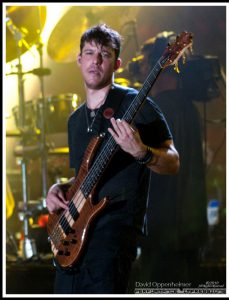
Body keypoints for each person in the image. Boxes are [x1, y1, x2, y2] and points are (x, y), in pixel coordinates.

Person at [45, 24, 179, 294]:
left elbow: (173, 161)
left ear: (116, 63)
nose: (96, 60)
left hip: (114, 234)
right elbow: (83, 177)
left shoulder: (135, 104)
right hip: (75, 234)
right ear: (79, 59)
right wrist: (58, 188)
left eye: (104, 54)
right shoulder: (74, 120)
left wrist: (141, 151)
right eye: (90, 52)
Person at [130, 31, 208, 287]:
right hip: (191, 232)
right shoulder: (190, 109)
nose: (141, 71)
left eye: (144, 64)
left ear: (158, 66)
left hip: (162, 234)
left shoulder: (153, 110)